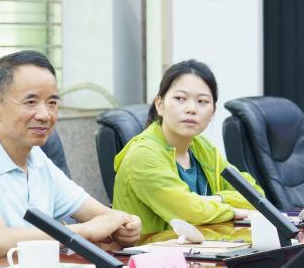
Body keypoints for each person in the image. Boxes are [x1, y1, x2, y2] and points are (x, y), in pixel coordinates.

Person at [0, 50, 141, 259]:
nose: (45, 115)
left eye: (52, 103)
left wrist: (127, 224)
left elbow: (101, 215)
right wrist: (85, 231)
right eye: (31, 102)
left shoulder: (37, 158)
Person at [112, 59, 263, 233]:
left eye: (202, 101)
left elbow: (254, 195)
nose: (191, 109)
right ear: (159, 105)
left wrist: (217, 199)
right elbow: (188, 212)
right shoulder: (144, 154)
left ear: (213, 111)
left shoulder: (203, 148)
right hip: (152, 248)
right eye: (180, 99)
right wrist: (233, 211)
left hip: (206, 245)